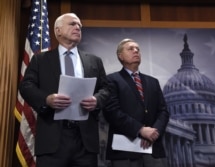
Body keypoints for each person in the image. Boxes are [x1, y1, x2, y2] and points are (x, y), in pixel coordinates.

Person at [19, 13, 110, 167]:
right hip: (52, 138)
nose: (78, 28)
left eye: (80, 26)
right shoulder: (41, 60)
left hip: (85, 140)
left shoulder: (94, 61)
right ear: (58, 31)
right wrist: (46, 99)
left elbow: (106, 89)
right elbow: (26, 86)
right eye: (72, 24)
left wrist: (97, 100)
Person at [103, 38, 170, 167]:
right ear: (120, 56)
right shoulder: (111, 80)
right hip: (125, 151)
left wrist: (154, 132)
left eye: (138, 49)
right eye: (130, 49)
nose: (136, 51)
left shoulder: (153, 82)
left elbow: (163, 111)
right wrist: (140, 130)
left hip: (153, 148)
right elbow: (112, 112)